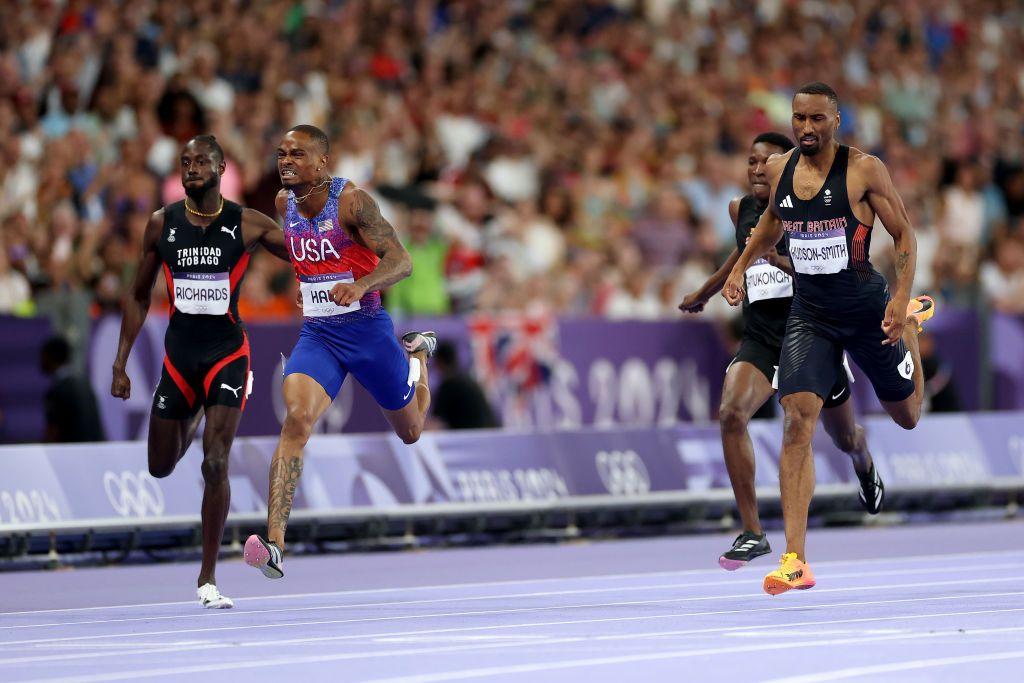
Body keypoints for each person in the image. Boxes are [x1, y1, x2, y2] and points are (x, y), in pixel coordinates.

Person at [723, 83, 935, 595]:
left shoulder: (865, 170)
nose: (806, 128)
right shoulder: (780, 171)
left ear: (836, 120)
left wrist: (898, 297)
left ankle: (908, 325)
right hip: (812, 314)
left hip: (868, 313)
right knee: (798, 417)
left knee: (907, 417)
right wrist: (739, 269)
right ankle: (795, 558)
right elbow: (772, 221)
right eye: (799, 119)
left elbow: (903, 234)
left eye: (817, 118)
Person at [681, 133, 880, 572]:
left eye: (765, 161)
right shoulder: (741, 209)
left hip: (810, 333)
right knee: (731, 412)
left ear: (785, 168)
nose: (755, 169)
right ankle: (752, 532)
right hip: (762, 336)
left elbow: (833, 267)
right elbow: (740, 252)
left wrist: (772, 257)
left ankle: (863, 463)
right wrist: (704, 291)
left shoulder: (816, 209)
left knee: (843, 436)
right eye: (750, 160)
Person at [243, 125, 435, 579]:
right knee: (296, 420)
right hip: (319, 335)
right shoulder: (282, 205)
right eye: (281, 153)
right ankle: (274, 542)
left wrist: (361, 285)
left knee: (410, 431)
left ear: (321, 163)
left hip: (367, 328)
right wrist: (311, 288)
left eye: (297, 154)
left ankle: (419, 356)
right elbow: (304, 254)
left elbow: (402, 260)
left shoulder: (353, 202)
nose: (285, 161)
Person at [111, 135, 289, 608]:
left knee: (215, 462)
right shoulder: (161, 224)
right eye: (184, 161)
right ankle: (192, 417)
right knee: (160, 466)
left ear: (221, 167)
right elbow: (137, 293)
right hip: (179, 359)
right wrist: (121, 360)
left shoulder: (247, 223)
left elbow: (304, 256)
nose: (191, 168)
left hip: (228, 355)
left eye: (201, 161)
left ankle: (207, 578)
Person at [41, 336, 105, 443]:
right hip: (95, 451)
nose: (41, 360)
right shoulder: (85, 384)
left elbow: (52, 433)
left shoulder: (57, 391)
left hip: (73, 454)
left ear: (51, 357)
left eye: (43, 356)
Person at [432, 340, 499, 430]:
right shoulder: (469, 381)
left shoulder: (448, 386)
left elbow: (435, 424)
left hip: (473, 439)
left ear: (439, 362)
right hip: (490, 434)